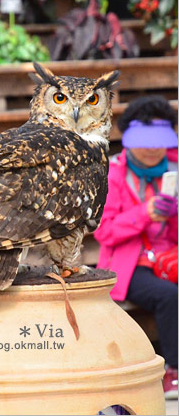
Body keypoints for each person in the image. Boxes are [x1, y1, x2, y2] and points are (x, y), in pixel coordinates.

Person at [94, 95, 178, 400]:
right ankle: (174, 371)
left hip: (171, 258)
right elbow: (104, 232)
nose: (153, 147)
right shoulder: (113, 173)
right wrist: (146, 213)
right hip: (131, 266)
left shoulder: (175, 167)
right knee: (170, 296)